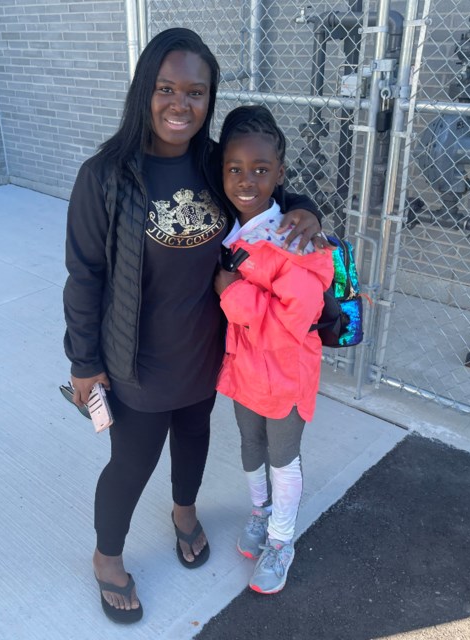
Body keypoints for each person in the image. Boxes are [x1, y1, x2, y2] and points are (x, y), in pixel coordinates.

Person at [62, 28, 328, 624]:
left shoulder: (213, 164)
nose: (180, 105)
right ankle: (108, 558)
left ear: (210, 99)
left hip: (208, 349)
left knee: (194, 438)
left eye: (196, 92)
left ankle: (185, 512)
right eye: (166, 89)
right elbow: (84, 276)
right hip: (138, 358)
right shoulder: (105, 176)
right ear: (144, 92)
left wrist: (309, 208)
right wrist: (84, 362)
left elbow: (266, 190)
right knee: (132, 461)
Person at [213, 105, 335, 595]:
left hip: (285, 374)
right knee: (249, 445)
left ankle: (282, 540)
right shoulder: (230, 230)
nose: (247, 180)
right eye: (235, 169)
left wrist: (231, 293)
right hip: (245, 371)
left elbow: (296, 319)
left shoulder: (293, 237)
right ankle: (260, 514)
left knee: (283, 457)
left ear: (280, 175)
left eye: (261, 170)